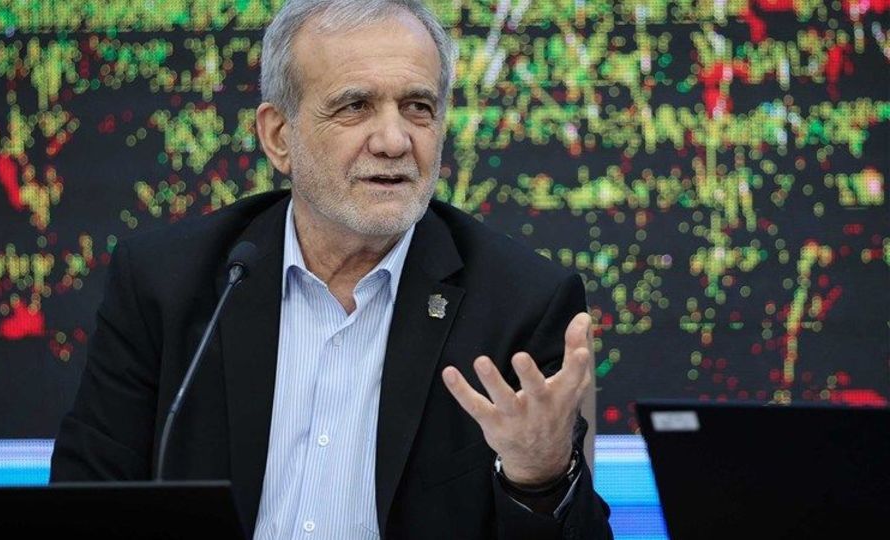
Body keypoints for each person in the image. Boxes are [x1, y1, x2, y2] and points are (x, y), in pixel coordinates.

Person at [49, 1, 614, 538]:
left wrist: (539, 477)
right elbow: (85, 505)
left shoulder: (523, 305)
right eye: (355, 106)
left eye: (418, 107)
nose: (394, 141)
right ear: (279, 136)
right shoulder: (167, 283)